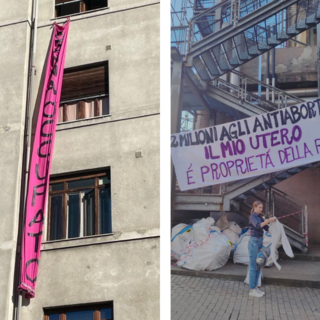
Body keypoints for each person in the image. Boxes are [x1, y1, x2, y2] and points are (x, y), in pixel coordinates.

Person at [248, 201, 276, 298]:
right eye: (259, 207)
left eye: (261, 207)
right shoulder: (252, 217)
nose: (261, 209)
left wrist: (274, 224)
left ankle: (255, 287)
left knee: (259, 265)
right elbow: (258, 226)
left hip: (260, 242)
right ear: (254, 207)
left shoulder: (260, 217)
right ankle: (251, 290)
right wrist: (268, 220)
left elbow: (266, 228)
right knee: (253, 266)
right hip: (254, 243)